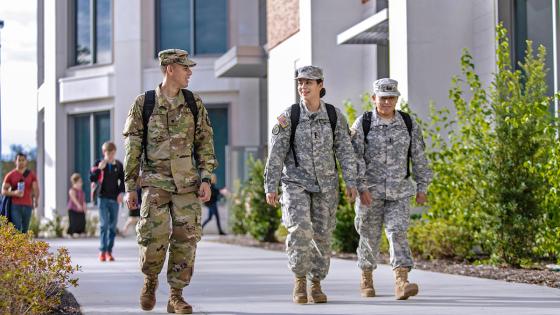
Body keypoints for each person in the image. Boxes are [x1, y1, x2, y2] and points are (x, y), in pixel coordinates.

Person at [123, 48, 217, 314]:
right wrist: (130, 186)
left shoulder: (193, 103)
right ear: (170, 69)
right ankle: (150, 281)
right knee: (153, 238)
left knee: (186, 240)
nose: (190, 72)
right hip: (155, 184)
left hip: (187, 184)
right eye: (185, 68)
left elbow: (205, 143)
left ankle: (176, 295)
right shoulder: (145, 103)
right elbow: (133, 148)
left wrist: (206, 178)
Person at [264, 65, 358, 304]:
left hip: (326, 186)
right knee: (300, 229)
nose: (303, 87)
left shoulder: (335, 117)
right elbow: (276, 153)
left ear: (320, 85)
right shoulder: (290, 116)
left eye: (309, 82)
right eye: (300, 82)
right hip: (295, 183)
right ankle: (299, 282)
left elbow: (345, 151)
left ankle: (316, 283)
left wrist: (351, 181)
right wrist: (270, 186)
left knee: (323, 235)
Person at [350, 78, 432, 300]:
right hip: (370, 193)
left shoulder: (408, 123)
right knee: (368, 236)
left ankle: (401, 281)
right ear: (374, 98)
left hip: (400, 191)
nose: (386, 102)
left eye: (391, 98)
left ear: (397, 99)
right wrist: (361, 187)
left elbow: (419, 156)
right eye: (382, 98)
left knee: (397, 233)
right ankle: (366, 276)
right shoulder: (363, 123)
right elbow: (354, 159)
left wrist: (422, 186)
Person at [89, 141, 125, 262]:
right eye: (108, 153)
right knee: (104, 225)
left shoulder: (118, 165)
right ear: (104, 152)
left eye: (113, 153)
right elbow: (92, 178)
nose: (110, 155)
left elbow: (123, 182)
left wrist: (121, 193)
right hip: (102, 198)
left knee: (112, 227)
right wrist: (99, 169)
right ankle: (102, 251)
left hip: (114, 199)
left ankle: (109, 252)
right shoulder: (98, 163)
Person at [1, 153, 39, 233]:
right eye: (19, 160)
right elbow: (3, 191)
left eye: (23, 160)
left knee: (25, 229)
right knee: (17, 228)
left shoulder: (31, 174)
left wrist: (36, 200)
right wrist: (14, 193)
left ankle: (24, 245)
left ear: (26, 161)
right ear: (15, 161)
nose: (21, 162)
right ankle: (18, 245)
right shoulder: (10, 175)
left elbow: (36, 189)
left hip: (28, 205)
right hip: (15, 205)